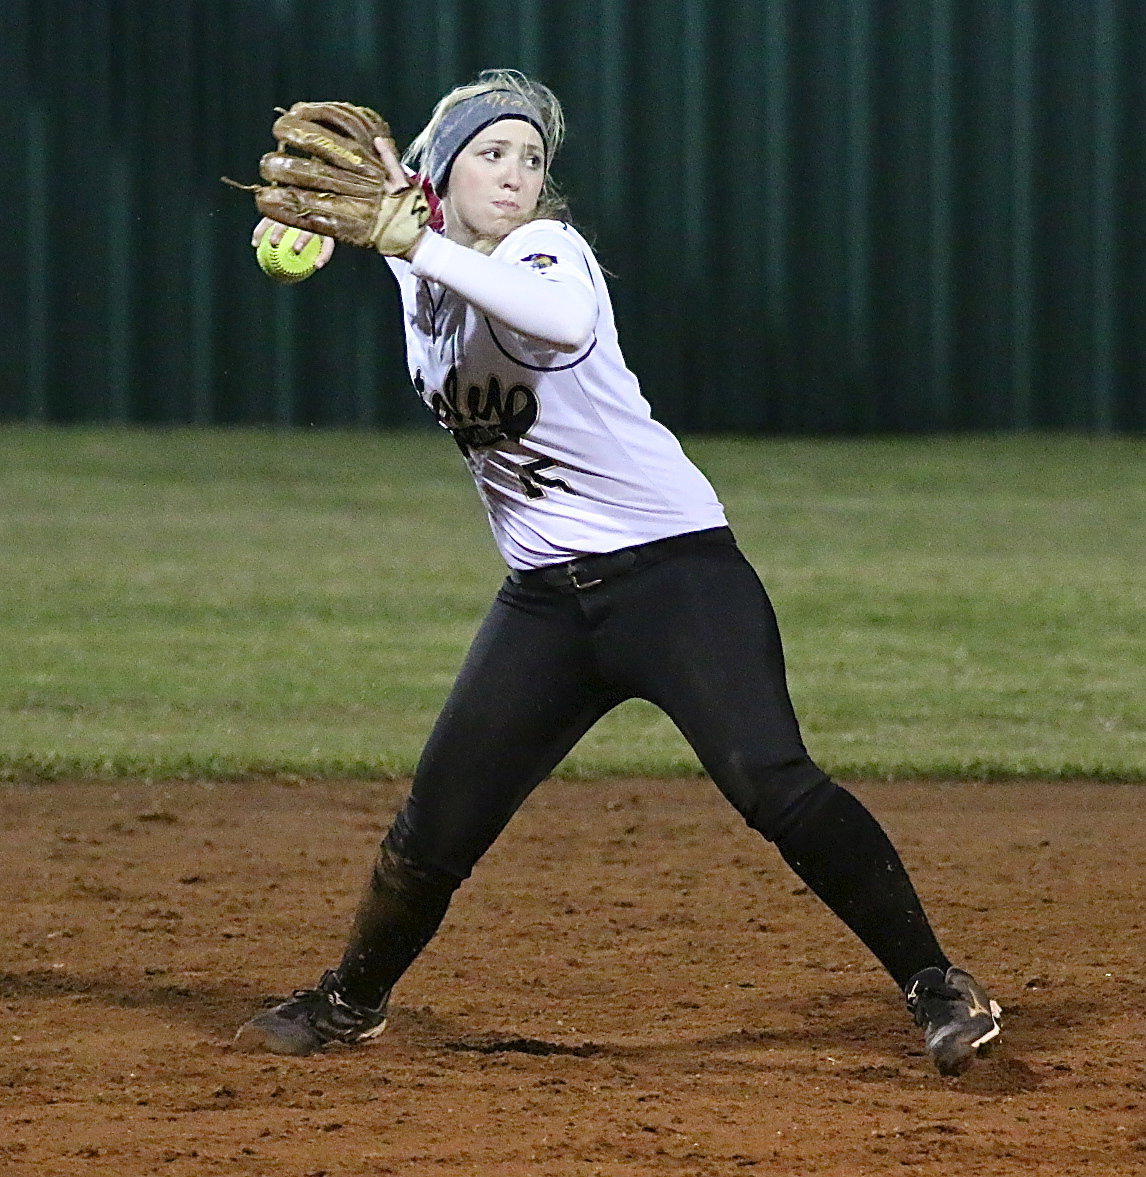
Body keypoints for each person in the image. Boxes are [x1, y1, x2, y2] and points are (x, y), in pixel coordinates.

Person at [234, 69, 1001, 1076]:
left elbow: (553, 322)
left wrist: (413, 236)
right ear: (442, 175)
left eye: (530, 157)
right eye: (491, 153)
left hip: (674, 579)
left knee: (775, 785)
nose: (516, 173)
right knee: (436, 823)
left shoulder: (547, 253)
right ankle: (352, 1002)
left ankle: (939, 985)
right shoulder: (424, 264)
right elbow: (404, 238)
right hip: (546, 608)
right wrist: (354, 223)